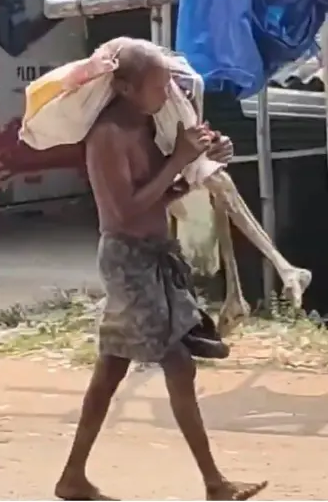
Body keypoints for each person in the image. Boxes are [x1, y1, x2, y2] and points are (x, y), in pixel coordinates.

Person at [54, 39, 268, 501]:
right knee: (178, 363)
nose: (167, 93)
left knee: (111, 369)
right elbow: (125, 211)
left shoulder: (150, 125)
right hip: (127, 260)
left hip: (155, 254)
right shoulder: (108, 135)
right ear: (126, 88)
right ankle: (215, 484)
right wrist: (178, 160)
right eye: (157, 86)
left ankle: (72, 478)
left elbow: (163, 192)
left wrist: (205, 159)